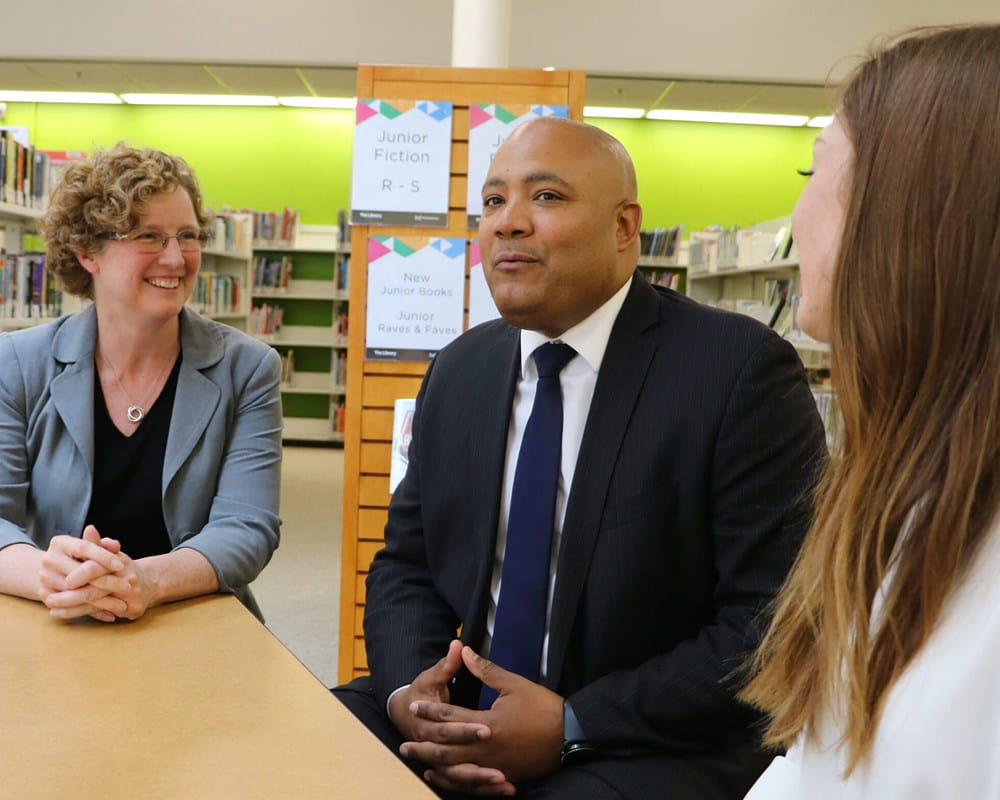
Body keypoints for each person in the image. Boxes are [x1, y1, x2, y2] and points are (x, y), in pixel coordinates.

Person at [335, 116, 827, 799]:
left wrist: (571, 721)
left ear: (626, 228)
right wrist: (413, 700)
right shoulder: (460, 370)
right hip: (468, 706)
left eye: (546, 197)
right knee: (304, 747)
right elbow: (406, 564)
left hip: (641, 734)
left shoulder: (736, 370)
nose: (508, 222)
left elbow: (768, 624)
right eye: (493, 200)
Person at [740, 24, 1000, 798]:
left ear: (907, 213)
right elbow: (824, 763)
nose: (796, 208)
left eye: (813, 168)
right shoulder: (910, 487)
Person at [0, 143, 282, 622]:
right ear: (88, 251)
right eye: (148, 236)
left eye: (188, 235)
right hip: (53, 617)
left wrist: (147, 582)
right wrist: (53, 575)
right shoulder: (17, 363)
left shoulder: (248, 368)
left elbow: (247, 526)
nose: (175, 258)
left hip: (194, 618)